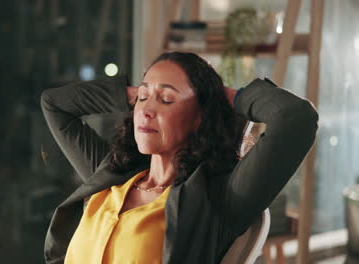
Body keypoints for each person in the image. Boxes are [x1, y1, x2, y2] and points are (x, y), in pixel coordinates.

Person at [40, 52, 318, 264]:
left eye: (167, 100)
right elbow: (55, 105)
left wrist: (222, 98)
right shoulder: (112, 172)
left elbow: (296, 118)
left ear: (200, 117)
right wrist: (138, 94)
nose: (146, 110)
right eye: (143, 97)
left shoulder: (217, 200)